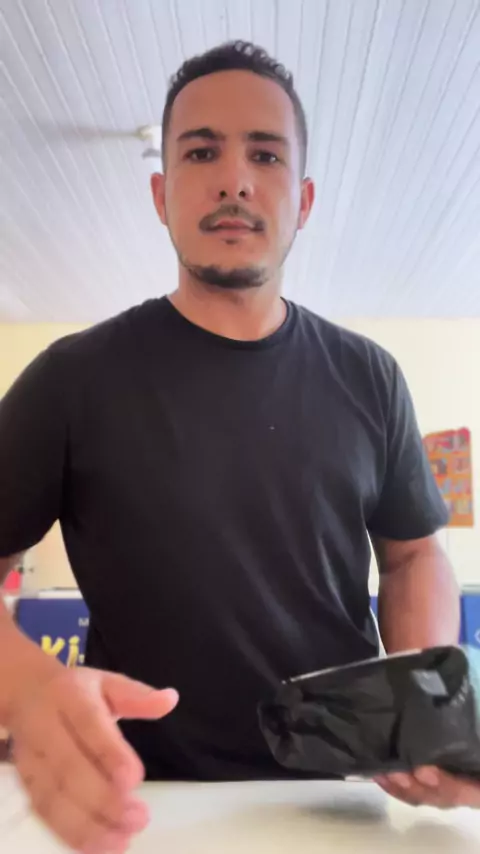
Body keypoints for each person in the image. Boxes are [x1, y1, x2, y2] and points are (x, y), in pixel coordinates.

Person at [0, 40, 477, 854]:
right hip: (140, 802)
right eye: (200, 152)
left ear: (305, 199)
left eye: (265, 154)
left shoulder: (370, 377)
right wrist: (26, 687)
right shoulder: (71, 379)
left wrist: (427, 705)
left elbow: (411, 556)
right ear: (161, 193)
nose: (234, 180)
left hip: (342, 799)